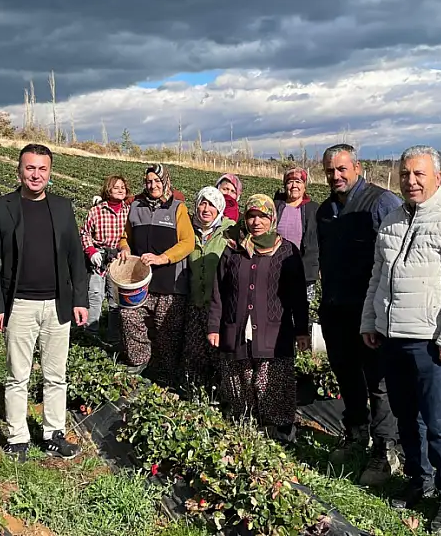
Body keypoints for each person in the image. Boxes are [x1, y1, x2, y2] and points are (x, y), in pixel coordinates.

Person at [361, 146, 441, 535]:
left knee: (438, 422)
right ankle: (419, 479)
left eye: (419, 174)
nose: (411, 181)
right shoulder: (393, 220)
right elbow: (378, 277)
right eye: (405, 174)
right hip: (392, 336)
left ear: (437, 178)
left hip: (430, 342)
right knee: (405, 417)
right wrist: (371, 320)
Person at [0, 144, 88, 462]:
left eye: (42, 169)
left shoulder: (62, 207)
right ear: (19, 170)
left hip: (58, 304)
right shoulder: (1, 208)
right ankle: (18, 437)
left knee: (56, 374)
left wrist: (80, 299)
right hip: (20, 304)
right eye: (30, 168)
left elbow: (75, 257)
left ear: (50, 172)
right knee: (18, 374)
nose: (36, 175)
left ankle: (53, 433)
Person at [315, 143, 403, 485]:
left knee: (378, 382)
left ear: (357, 167)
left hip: (370, 312)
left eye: (341, 169)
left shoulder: (381, 203)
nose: (336, 176)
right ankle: (356, 433)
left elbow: (397, 260)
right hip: (336, 308)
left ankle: (385, 449)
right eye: (330, 171)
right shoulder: (324, 212)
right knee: (346, 375)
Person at [208, 195, 308, 442]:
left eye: (262, 216)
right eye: (251, 216)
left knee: (270, 384)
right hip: (236, 327)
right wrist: (214, 326)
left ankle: (281, 432)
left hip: (274, 332)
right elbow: (219, 291)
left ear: (272, 219)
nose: (256, 222)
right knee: (239, 382)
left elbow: (298, 296)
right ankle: (247, 427)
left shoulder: (286, 251)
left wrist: (302, 330)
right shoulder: (233, 249)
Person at [116, 164, 195, 381]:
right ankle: (140, 361)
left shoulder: (177, 208)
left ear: (165, 182)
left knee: (166, 328)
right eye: (149, 182)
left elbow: (188, 242)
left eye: (157, 181)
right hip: (140, 280)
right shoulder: (136, 207)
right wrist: (124, 247)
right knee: (129, 316)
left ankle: (167, 374)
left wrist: (163, 258)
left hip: (170, 281)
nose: (153, 186)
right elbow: (126, 237)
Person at [183, 186, 236, 389]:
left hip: (220, 303)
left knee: (218, 349)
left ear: (219, 208)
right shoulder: (188, 229)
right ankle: (197, 390)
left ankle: (221, 391)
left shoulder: (230, 229)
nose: (206, 209)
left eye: (212, 204)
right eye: (202, 203)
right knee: (195, 350)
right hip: (194, 299)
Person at [79, 175, 130, 339]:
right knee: (95, 295)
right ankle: (90, 333)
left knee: (115, 300)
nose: (120, 190)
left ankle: (114, 336)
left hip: (119, 260)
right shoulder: (96, 211)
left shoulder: (129, 211)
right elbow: (85, 233)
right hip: (99, 258)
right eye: (116, 187)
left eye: (123, 187)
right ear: (108, 190)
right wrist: (91, 251)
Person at [273, 167, 320, 303]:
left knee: (301, 309)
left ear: (304, 186)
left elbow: (321, 239)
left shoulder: (314, 209)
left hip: (305, 270)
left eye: (298, 181)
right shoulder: (276, 206)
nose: (294, 185)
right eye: (290, 182)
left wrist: (320, 266)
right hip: (277, 268)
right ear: (285, 185)